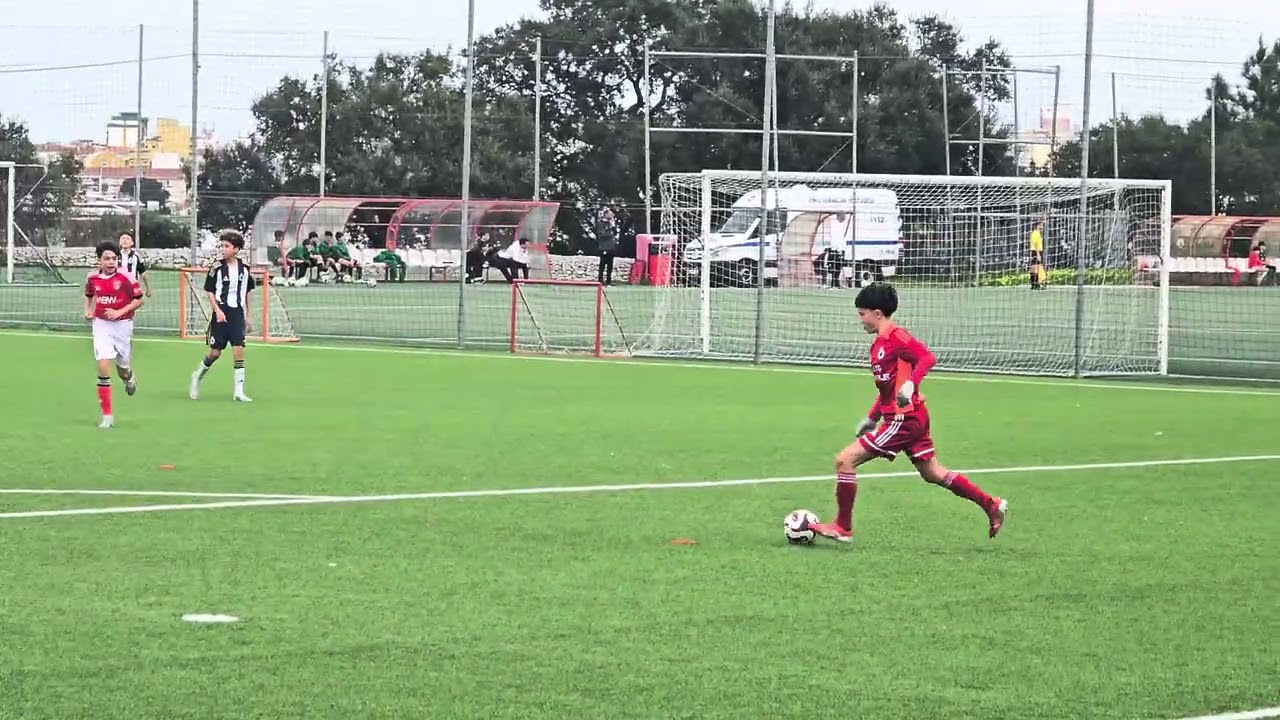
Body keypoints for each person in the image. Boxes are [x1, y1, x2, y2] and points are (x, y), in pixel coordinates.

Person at [809, 283, 1008, 543]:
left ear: (877, 313)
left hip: (903, 419)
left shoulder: (896, 337)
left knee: (844, 460)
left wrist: (911, 383)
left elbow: (926, 357)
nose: (860, 319)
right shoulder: (878, 344)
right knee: (932, 472)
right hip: (910, 416)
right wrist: (872, 417)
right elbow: (886, 389)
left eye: (862, 314)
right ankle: (990, 504)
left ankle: (842, 526)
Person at [84, 240, 144, 428]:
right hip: (101, 324)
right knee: (102, 365)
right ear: (99, 260)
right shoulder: (92, 278)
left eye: (114, 258)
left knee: (122, 369)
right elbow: (88, 295)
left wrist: (119, 312)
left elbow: (139, 300)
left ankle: (129, 377)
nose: (111, 262)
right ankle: (107, 416)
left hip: (123, 325)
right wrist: (88, 311)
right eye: (107, 258)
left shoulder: (126, 277)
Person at [190, 230, 255, 403]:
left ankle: (239, 391)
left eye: (226, 246)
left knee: (238, 349)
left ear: (236, 249)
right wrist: (217, 310)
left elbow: (248, 291)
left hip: (237, 314)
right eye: (222, 245)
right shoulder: (217, 267)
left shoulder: (245, 269)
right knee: (215, 353)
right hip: (221, 312)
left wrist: (249, 315)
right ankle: (197, 376)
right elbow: (209, 290)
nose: (223, 249)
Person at [117, 232, 153, 298]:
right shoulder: (115, 255)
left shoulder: (136, 256)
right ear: (119, 242)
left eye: (127, 239)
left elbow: (143, 273)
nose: (125, 240)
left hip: (132, 287)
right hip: (117, 287)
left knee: (132, 306)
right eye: (122, 238)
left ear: (132, 243)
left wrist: (148, 288)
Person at [596, 207, 618, 285]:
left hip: (611, 247)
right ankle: (600, 281)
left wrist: (613, 226)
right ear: (606, 214)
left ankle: (609, 281)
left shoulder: (610, 224)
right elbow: (602, 235)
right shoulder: (601, 223)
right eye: (610, 214)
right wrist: (610, 233)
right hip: (604, 247)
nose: (612, 215)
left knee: (610, 265)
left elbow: (615, 233)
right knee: (602, 265)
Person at [1029, 220, 1046, 290]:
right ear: (1037, 225)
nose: (1042, 226)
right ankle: (1036, 284)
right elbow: (1036, 245)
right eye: (1041, 225)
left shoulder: (1035, 233)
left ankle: (1034, 284)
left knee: (1034, 267)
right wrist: (1038, 254)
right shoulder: (1036, 233)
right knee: (1036, 268)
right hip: (1036, 252)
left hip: (1035, 251)